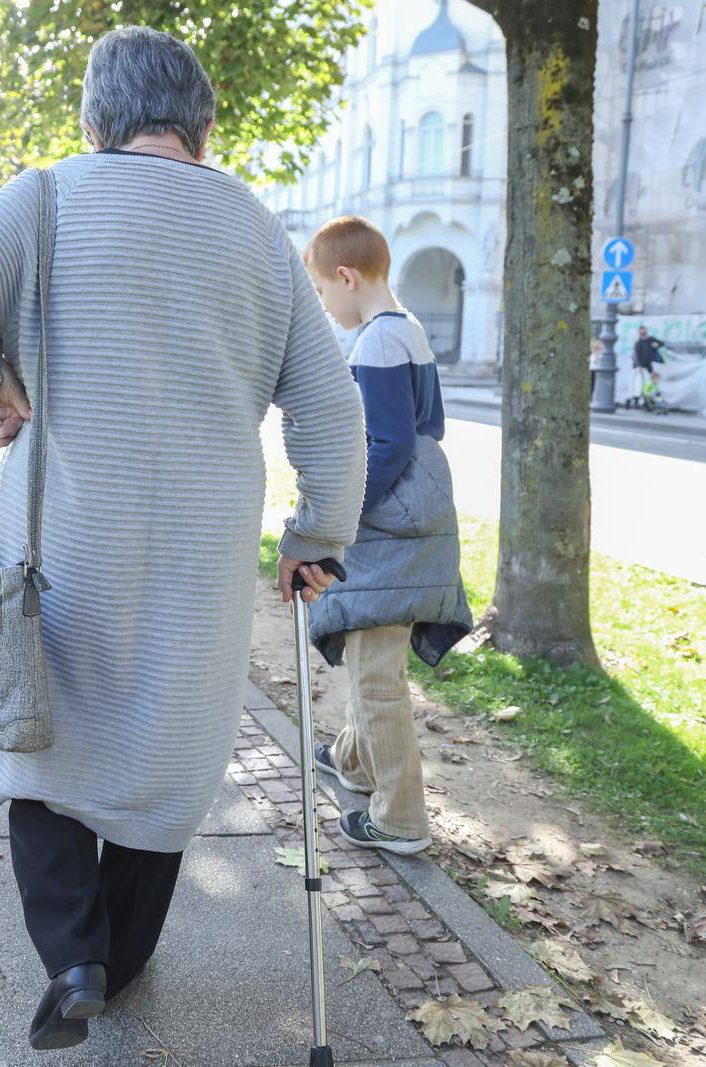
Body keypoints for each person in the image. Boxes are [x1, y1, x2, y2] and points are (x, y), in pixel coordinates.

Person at [0, 26, 367, 1052]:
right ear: (203, 126)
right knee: (162, 749)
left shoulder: (45, 197)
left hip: (64, 545)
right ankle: (124, 954)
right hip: (201, 552)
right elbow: (331, 410)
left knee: (38, 742)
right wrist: (314, 533)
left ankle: (75, 956)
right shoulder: (255, 231)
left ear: (94, 121)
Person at [300, 215, 473, 856]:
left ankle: (400, 820)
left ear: (346, 277)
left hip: (388, 526)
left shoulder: (374, 342)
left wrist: (344, 512)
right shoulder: (409, 329)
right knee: (376, 653)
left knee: (375, 673)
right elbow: (430, 428)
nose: (324, 303)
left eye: (322, 291)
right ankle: (354, 760)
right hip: (417, 515)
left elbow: (390, 442)